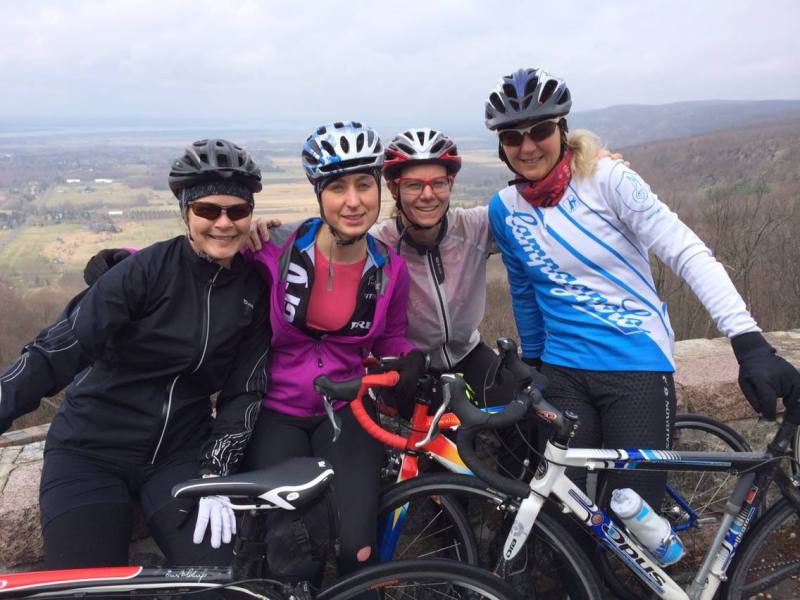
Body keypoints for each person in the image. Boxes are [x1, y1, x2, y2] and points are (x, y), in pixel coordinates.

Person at [484, 67, 800, 509]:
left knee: (636, 509)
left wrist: (748, 341)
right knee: (566, 509)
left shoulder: (608, 180)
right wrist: (533, 360)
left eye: (540, 130)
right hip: (563, 373)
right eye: (512, 137)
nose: (528, 145)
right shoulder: (504, 209)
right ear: (501, 147)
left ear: (562, 130)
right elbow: (524, 290)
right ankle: (583, 580)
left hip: (635, 365)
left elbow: (687, 251)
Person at [0, 138, 270, 569]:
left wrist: (216, 469)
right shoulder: (144, 271)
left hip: (180, 453)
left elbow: (246, 391)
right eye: (207, 210)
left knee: (222, 583)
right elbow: (60, 348)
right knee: (86, 590)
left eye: (237, 211)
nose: (224, 223)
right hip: (90, 449)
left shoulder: (253, 291)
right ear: (185, 212)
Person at [241, 121, 425, 578]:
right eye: (338, 187)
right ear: (318, 192)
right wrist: (125, 261)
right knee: (290, 555)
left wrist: (408, 361)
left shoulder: (388, 269)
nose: (353, 200)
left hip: (348, 410)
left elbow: (390, 341)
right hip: (275, 412)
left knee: (358, 553)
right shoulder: (275, 249)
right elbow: (204, 260)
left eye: (364, 184)